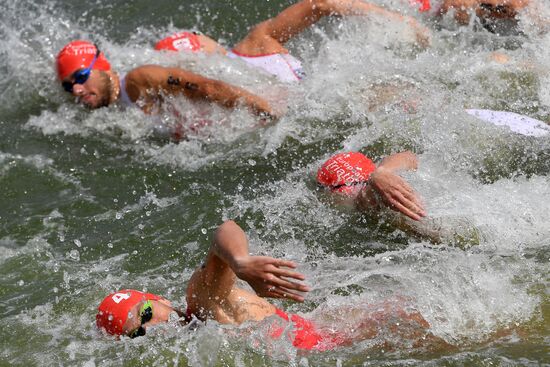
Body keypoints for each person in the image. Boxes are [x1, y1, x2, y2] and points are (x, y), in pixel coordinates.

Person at [96, 220, 443, 351]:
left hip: (357, 335)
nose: (151, 326)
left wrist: (241, 263)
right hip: (339, 338)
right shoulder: (195, 345)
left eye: (145, 313)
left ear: (156, 299)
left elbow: (222, 233)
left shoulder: (202, 303)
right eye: (137, 333)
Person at [55, 0, 430, 117]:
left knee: (370, 99)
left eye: (80, 76)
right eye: (68, 84)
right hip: (295, 91)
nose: (75, 89)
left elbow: (203, 85)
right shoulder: (253, 48)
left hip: (279, 100)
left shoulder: (140, 80)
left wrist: (260, 106)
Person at [316, 151, 427, 221]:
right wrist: (383, 171)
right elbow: (410, 156)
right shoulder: (381, 180)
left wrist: (382, 172)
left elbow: (408, 156)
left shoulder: (362, 198)